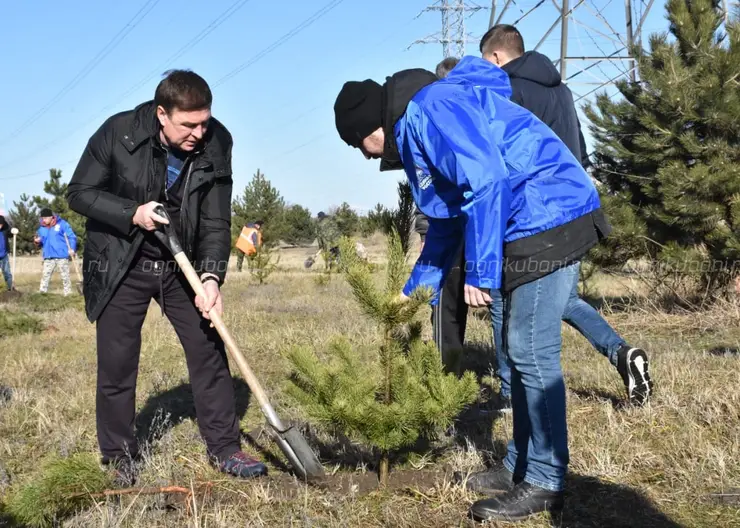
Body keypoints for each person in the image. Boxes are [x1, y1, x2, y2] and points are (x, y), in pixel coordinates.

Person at [334, 56, 610, 521]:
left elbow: (487, 182)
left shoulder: (431, 109)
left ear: (372, 124)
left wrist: (480, 274)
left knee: (530, 349)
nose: (364, 154)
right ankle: (520, 463)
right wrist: (412, 291)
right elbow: (445, 222)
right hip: (528, 219)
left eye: (358, 142)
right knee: (515, 346)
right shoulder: (421, 124)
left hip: (551, 213)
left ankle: (545, 479)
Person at [66, 69, 267, 485]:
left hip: (183, 264)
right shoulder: (119, 133)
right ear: (162, 114)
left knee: (209, 350)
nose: (198, 132)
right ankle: (119, 456)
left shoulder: (217, 142)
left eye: (204, 122)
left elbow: (215, 219)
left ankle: (226, 447)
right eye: (188, 124)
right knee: (118, 364)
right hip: (122, 260)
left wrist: (212, 277)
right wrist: (131, 213)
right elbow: (79, 193)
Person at [480, 24, 653, 408]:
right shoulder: (562, 90)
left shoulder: (507, 91)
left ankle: (511, 396)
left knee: (501, 301)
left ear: (495, 57)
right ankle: (622, 353)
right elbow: (579, 148)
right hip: (574, 212)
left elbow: (503, 160)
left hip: (531, 217)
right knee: (565, 300)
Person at [413, 57, 468, 376]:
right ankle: (448, 375)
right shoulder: (430, 124)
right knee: (445, 301)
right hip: (446, 226)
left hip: (475, 226)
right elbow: (424, 186)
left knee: (460, 301)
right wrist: (424, 233)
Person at [34, 208, 76, 296]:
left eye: (45, 218)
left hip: (62, 255)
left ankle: (68, 294)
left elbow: (71, 237)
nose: (43, 220)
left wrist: (72, 248)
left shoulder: (62, 224)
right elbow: (41, 241)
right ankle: (42, 293)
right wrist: (37, 241)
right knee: (45, 275)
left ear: (51, 217)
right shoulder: (41, 229)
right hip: (48, 256)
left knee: (65, 276)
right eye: (42, 218)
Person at [0, 215, 13, 291]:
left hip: (4, 256)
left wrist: (13, 230)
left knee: (7, 273)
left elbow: (11, 234)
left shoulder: (5, 229)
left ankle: (10, 289)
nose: (0, 226)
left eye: (1, 225)